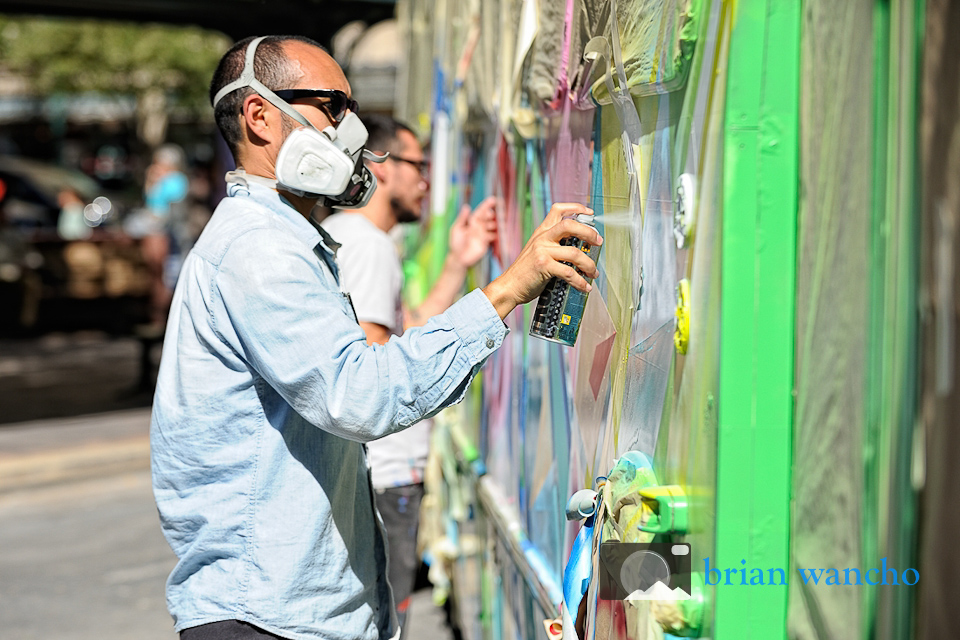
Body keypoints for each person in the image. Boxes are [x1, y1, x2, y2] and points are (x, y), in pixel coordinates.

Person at [150, 34, 601, 640]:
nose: (352, 129)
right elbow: (359, 392)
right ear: (259, 116)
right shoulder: (258, 249)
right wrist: (507, 289)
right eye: (334, 107)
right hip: (267, 619)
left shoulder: (286, 240)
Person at [321, 114, 496, 632]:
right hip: (388, 474)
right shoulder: (369, 247)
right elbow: (375, 367)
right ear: (381, 167)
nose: (426, 180)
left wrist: (456, 264)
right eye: (418, 165)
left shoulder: (345, 237)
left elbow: (402, 332)